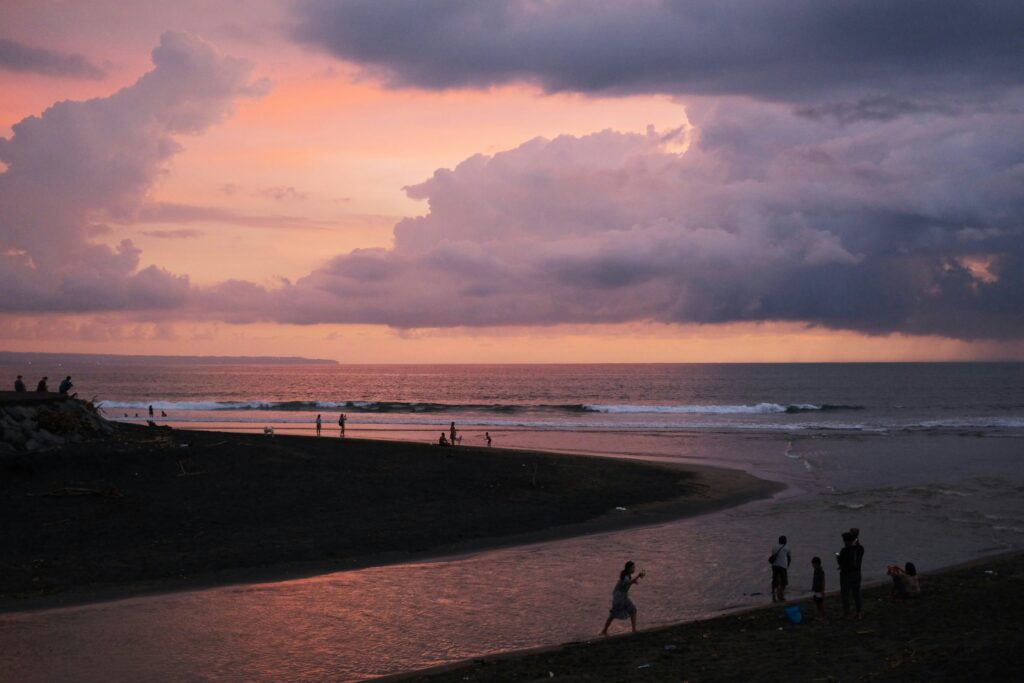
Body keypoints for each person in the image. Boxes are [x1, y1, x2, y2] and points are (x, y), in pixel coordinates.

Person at [601, 560, 644, 635]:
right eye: (633, 567)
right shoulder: (625, 576)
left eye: (634, 567)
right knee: (615, 613)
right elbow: (627, 582)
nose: (634, 569)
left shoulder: (627, 576)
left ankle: (633, 629)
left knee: (631, 610)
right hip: (619, 596)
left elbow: (627, 584)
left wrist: (634, 581)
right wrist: (638, 576)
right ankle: (604, 631)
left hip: (622, 595)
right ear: (628, 568)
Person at [838, 530, 865, 619]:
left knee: (845, 594)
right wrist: (855, 537)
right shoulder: (860, 549)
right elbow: (859, 545)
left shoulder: (844, 551)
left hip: (846, 575)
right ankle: (859, 613)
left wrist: (837, 556)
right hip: (857, 574)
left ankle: (847, 613)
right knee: (856, 594)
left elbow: (840, 562)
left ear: (846, 541)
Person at [769, 535, 792, 602]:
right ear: (785, 541)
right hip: (782, 566)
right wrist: (787, 566)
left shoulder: (774, 547)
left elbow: (773, 556)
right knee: (784, 581)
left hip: (774, 566)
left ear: (779, 541)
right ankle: (780, 593)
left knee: (774, 579)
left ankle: (773, 592)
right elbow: (789, 558)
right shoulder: (787, 548)